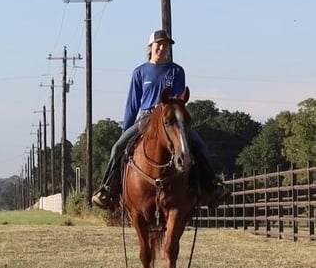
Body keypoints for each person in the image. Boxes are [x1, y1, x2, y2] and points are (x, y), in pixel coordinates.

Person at [91, 29, 230, 210]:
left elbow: (178, 100)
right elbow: (132, 104)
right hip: (146, 117)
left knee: (199, 146)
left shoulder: (176, 71)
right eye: (160, 44)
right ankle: (108, 189)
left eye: (166, 45)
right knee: (118, 147)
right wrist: (126, 130)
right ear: (151, 47)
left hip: (170, 119)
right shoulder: (140, 72)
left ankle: (211, 188)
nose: (163, 48)